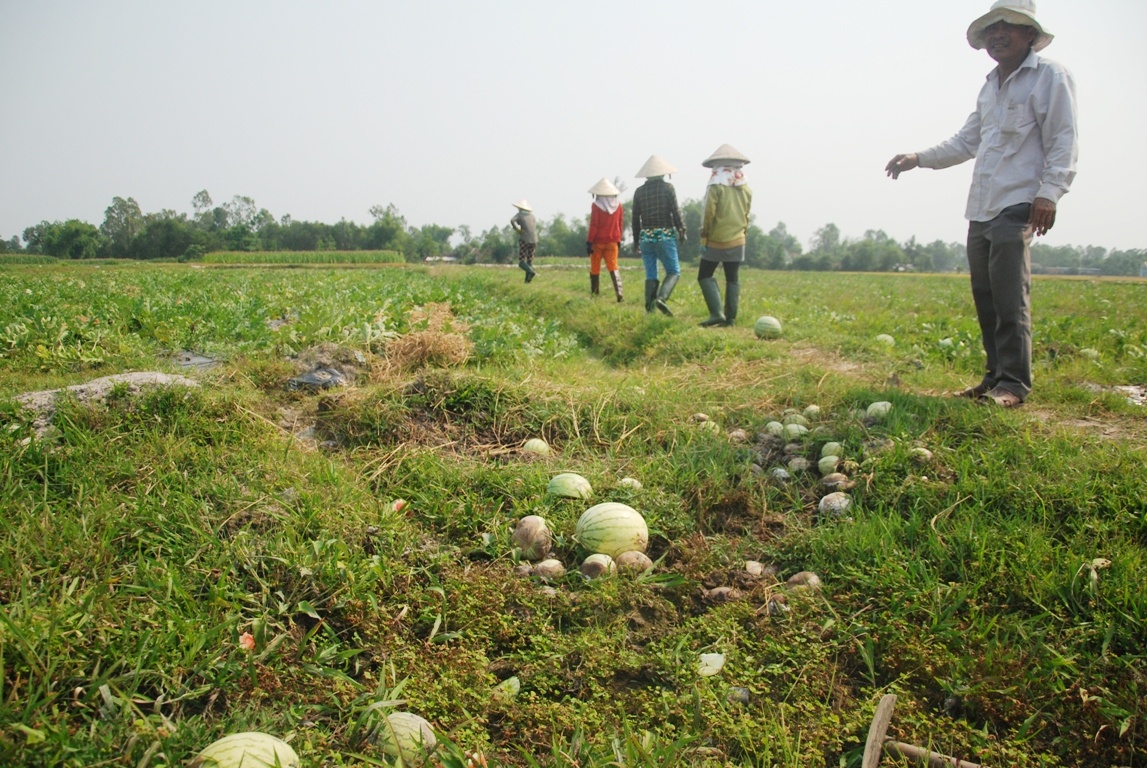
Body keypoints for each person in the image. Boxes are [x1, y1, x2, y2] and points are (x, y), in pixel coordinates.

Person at [885, 0, 1077, 408]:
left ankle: (1014, 385)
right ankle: (994, 377)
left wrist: (1049, 192)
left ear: (1030, 34)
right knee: (986, 296)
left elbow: (1063, 139)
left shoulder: (1050, 77)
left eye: (1009, 26)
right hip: (982, 206)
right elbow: (967, 141)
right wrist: (918, 157)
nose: (998, 34)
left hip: (1019, 201)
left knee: (1010, 298)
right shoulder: (990, 86)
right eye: (992, 28)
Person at [697, 144, 752, 327]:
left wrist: (704, 236)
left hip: (716, 240)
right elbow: (747, 214)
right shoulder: (745, 188)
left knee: (704, 275)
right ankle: (731, 320)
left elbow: (708, 213)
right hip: (738, 239)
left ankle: (716, 313)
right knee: (732, 278)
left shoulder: (716, 187)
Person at [631, 155, 686, 315]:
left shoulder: (639, 192)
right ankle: (661, 299)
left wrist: (636, 242)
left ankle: (649, 310)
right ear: (663, 173)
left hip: (645, 238)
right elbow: (675, 211)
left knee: (651, 272)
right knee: (673, 271)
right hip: (664, 235)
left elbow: (635, 219)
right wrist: (682, 229)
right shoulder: (668, 188)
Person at [586, 178, 624, 301]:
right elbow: (620, 223)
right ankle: (619, 294)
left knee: (595, 267)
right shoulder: (618, 205)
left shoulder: (596, 205)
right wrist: (619, 239)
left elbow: (594, 225)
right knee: (613, 266)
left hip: (597, 243)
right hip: (613, 242)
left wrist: (589, 241)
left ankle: (595, 295)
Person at [510, 200, 538, 283]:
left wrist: (517, 229)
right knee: (529, 260)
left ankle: (531, 272)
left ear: (519, 208)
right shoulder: (532, 216)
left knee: (521, 262)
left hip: (524, 239)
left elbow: (512, 220)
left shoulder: (520, 215)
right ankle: (527, 281)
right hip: (534, 240)